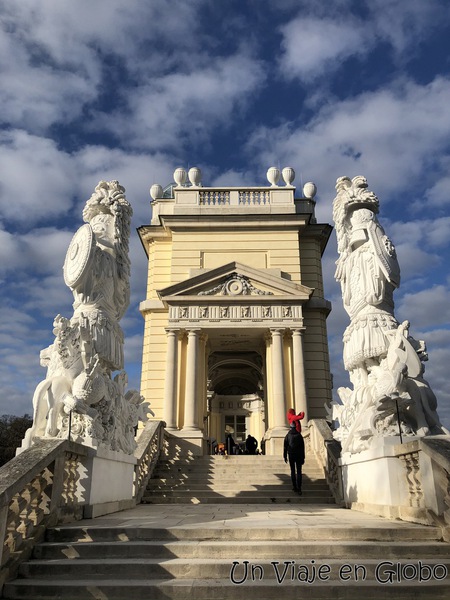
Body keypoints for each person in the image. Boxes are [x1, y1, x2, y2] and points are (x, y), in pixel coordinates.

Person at [283, 423, 305, 495]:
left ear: (290, 427)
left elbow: (285, 447)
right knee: (299, 471)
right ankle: (299, 487)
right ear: (295, 427)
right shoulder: (299, 435)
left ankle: (294, 486)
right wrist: (303, 457)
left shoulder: (288, 435)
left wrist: (285, 456)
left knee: (293, 471)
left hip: (291, 455)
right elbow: (302, 447)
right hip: (299, 455)